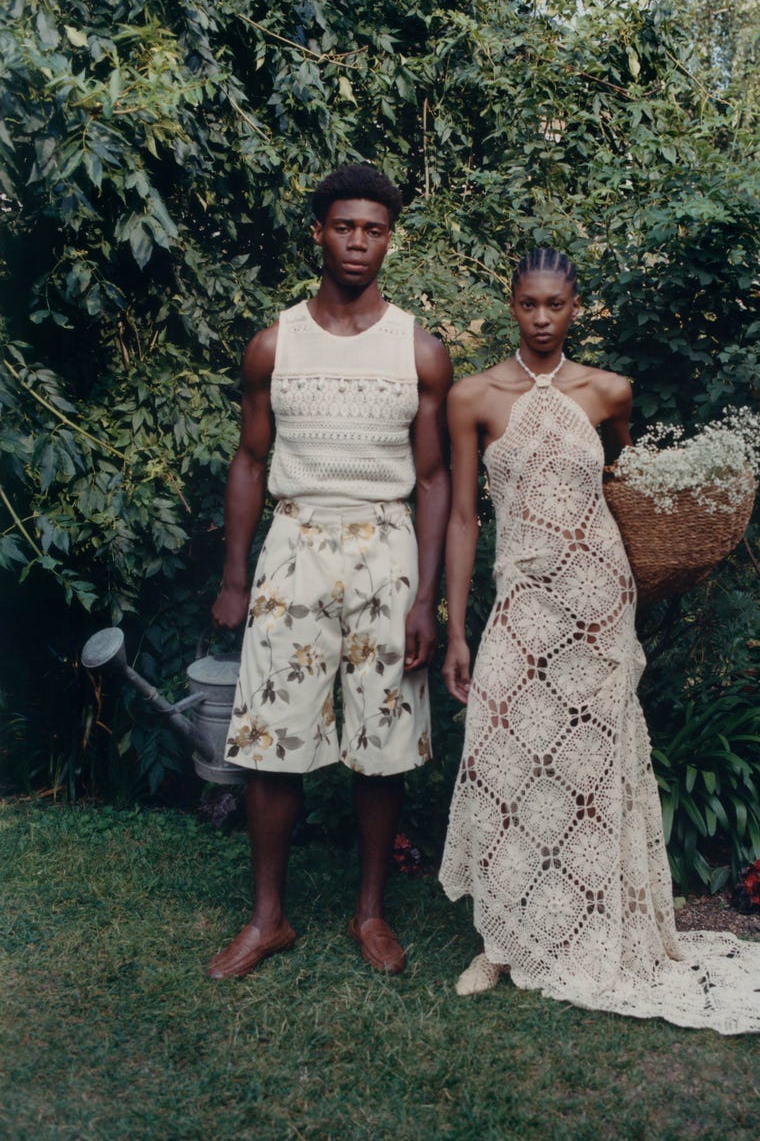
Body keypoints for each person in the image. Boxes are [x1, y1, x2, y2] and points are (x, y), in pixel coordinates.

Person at [438, 248, 760, 1060]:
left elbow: (630, 479)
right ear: (512, 305)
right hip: (521, 598)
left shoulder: (609, 390)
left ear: (575, 305)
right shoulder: (472, 397)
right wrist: (456, 625)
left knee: (591, 763)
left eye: (557, 303)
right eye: (529, 304)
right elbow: (462, 517)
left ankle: (594, 928)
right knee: (499, 753)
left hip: (597, 596)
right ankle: (502, 940)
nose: (544, 317)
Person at [207, 163, 452, 980]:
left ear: (390, 237)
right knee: (272, 741)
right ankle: (267, 918)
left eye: (374, 229)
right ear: (319, 231)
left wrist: (428, 598)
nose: (358, 242)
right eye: (345, 226)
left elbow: (431, 478)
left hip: (386, 554)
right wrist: (236, 575)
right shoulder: (275, 343)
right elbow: (249, 458)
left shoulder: (418, 349)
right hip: (294, 545)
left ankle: (370, 912)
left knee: (381, 745)